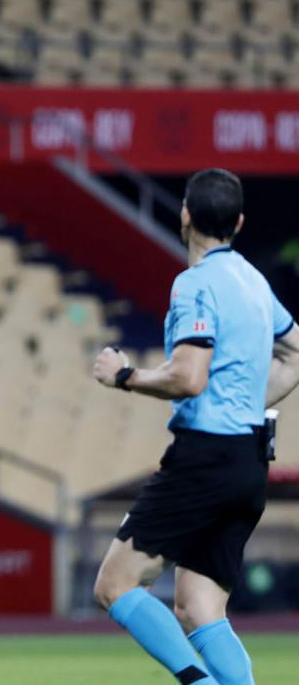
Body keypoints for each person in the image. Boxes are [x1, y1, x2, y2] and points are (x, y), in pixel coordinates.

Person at [91, 168, 299, 685]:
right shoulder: (254, 281)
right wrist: (245, 399)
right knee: (199, 606)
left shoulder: (194, 284)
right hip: (249, 461)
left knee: (115, 585)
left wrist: (124, 376)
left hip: (205, 458)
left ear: (185, 214)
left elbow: (187, 376)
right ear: (240, 222)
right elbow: (295, 353)